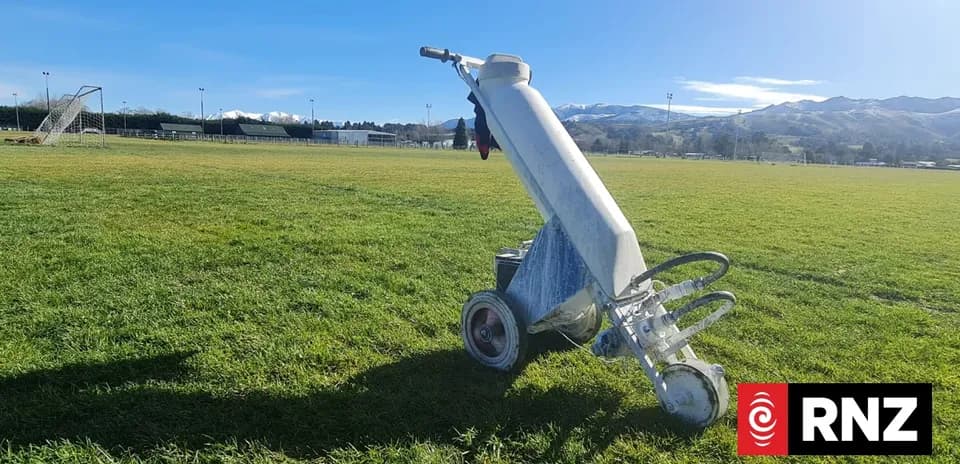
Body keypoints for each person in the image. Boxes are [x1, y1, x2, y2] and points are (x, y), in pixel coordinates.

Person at [467, 91, 500, 160]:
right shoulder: (482, 146)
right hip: (481, 124)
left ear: (484, 152)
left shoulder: (482, 146)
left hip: (482, 125)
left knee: (480, 107)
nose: (486, 151)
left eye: (485, 152)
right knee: (479, 106)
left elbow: (483, 135)